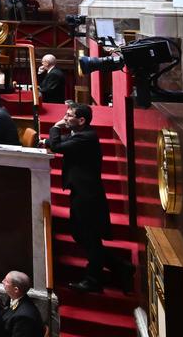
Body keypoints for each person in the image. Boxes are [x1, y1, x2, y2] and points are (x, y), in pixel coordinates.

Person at [45, 102, 134, 293]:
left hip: (87, 196)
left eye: (69, 115)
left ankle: (94, 280)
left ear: (82, 120)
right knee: (79, 234)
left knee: (89, 237)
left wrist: (54, 127)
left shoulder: (87, 137)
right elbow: (63, 145)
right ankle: (120, 266)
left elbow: (58, 145)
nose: (66, 118)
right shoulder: (81, 135)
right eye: (66, 115)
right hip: (82, 192)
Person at [0, 270, 45, 337]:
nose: (2, 282)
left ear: (16, 290)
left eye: (6, 281)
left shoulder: (24, 317)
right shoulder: (14, 298)